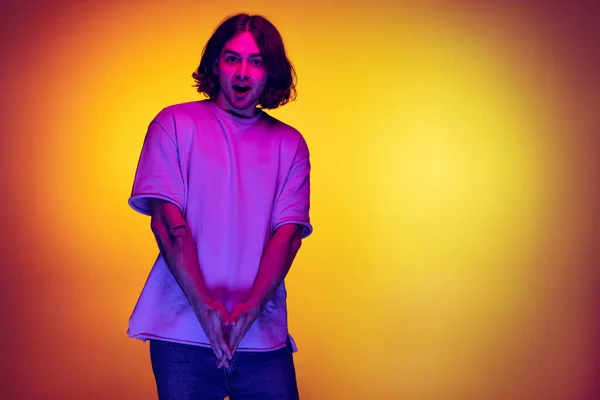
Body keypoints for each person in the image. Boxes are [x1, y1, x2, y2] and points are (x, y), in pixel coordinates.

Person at [126, 13, 312, 400]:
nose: (242, 72)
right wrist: (203, 306)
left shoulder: (290, 144)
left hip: (262, 336)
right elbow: (165, 220)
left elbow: (288, 236)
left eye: (256, 61)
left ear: (270, 71)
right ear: (215, 64)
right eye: (232, 58)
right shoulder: (173, 124)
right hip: (181, 334)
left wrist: (251, 308)